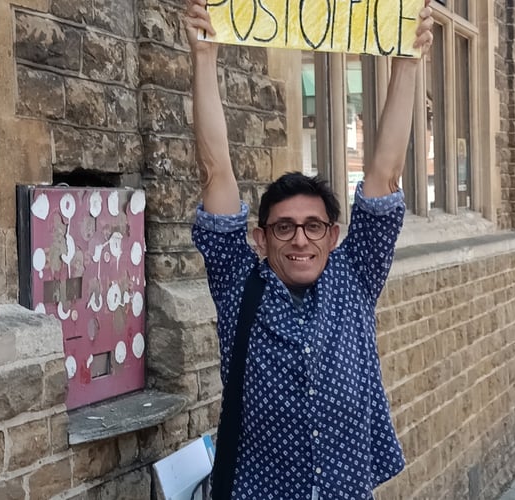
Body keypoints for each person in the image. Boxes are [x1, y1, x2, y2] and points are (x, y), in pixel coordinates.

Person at [185, 1, 434, 498]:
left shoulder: (355, 276)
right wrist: (205, 57)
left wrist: (408, 60)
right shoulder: (239, 284)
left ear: (334, 235)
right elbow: (217, 173)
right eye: (284, 228)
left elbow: (384, 174)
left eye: (314, 226)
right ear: (260, 238)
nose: (300, 239)